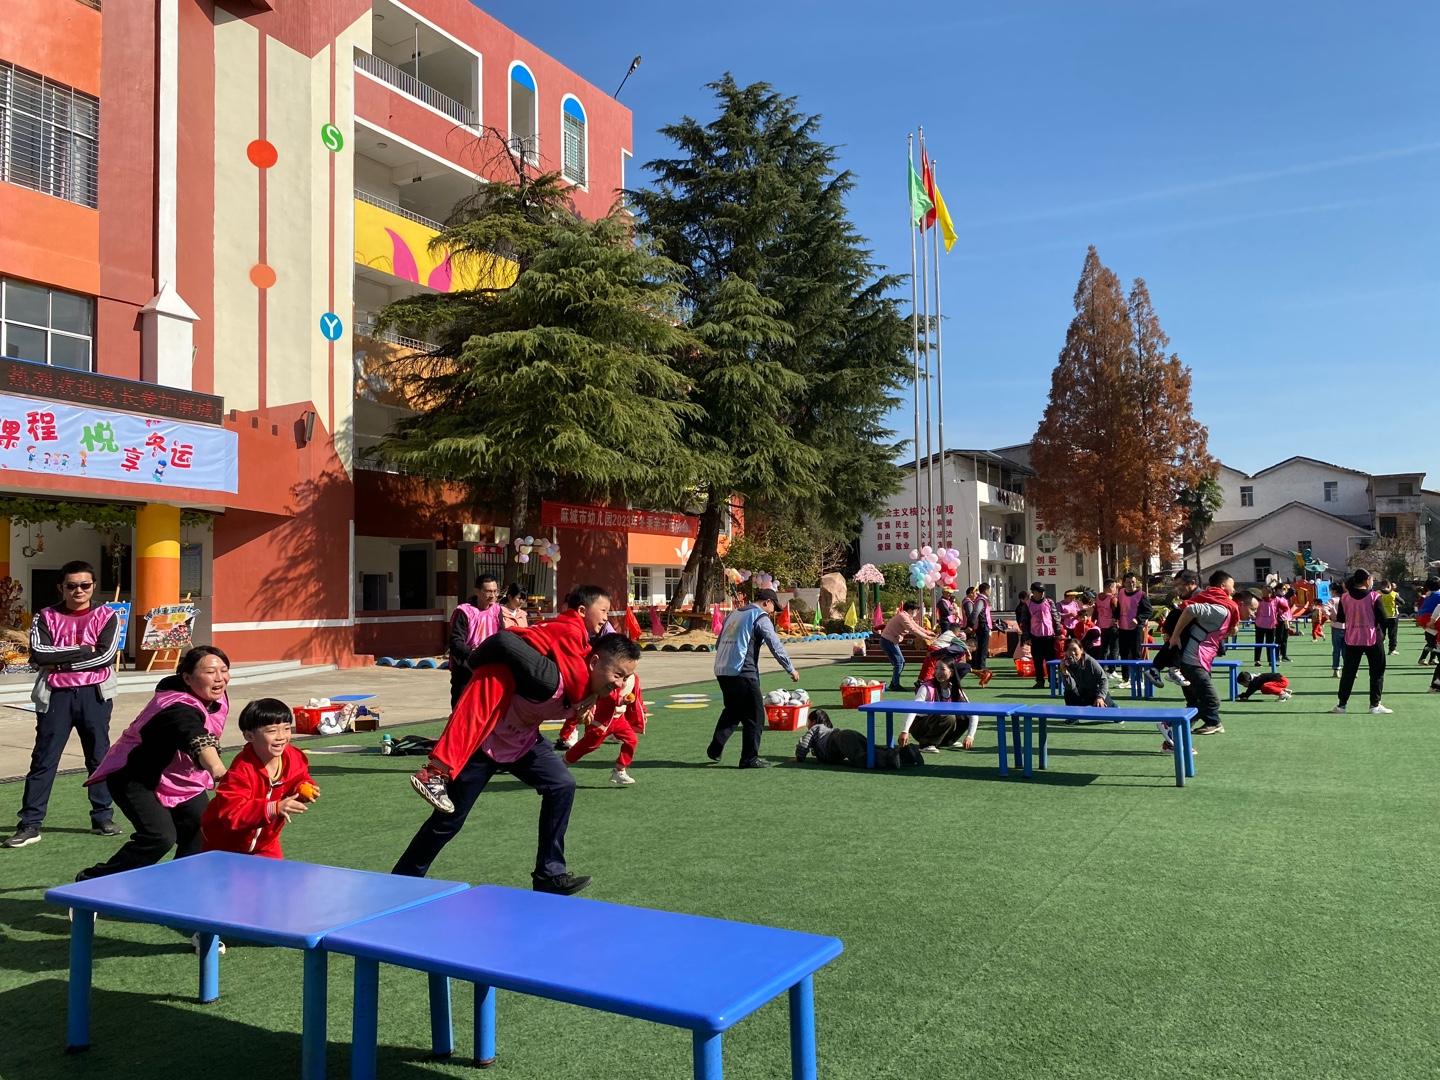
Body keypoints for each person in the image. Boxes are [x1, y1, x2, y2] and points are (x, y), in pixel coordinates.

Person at [393, 633, 641, 894]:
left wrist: (585, 706)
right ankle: (403, 881)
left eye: (626, 677)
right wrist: (471, 663)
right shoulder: (547, 679)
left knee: (562, 784)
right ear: (594, 662)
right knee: (448, 821)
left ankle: (549, 876)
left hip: (524, 743)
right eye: (618, 674)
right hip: (484, 742)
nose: (620, 683)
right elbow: (503, 642)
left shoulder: (595, 690)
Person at [415, 585, 614, 812]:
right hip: (500, 669)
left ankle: (437, 773)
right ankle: (434, 773)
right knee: (472, 720)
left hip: (506, 671)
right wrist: (588, 699)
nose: (606, 618)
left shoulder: (567, 628)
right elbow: (577, 678)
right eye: (603, 611)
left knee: (477, 722)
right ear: (582, 610)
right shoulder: (572, 630)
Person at [76, 647, 231, 880]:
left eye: (224, 670)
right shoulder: (175, 706)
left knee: (202, 828)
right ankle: (93, 881)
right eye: (210, 672)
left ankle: (182, 885)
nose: (219, 678)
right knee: (159, 837)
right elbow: (195, 735)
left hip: (180, 778)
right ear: (187, 678)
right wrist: (217, 769)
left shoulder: (214, 696)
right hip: (135, 776)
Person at [5, 560, 122, 849]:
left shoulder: (107, 615)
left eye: (85, 585)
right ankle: (30, 824)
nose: (78, 590)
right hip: (55, 696)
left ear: (93, 586)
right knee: (44, 759)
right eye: (71, 585)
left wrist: (63, 662)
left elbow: (105, 657)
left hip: (94, 694)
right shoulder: (45, 616)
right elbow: (40, 655)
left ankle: (102, 817)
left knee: (98, 757)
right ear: (61, 587)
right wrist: (83, 650)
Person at [200, 698, 317, 858]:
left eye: (286, 728)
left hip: (267, 844)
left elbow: (300, 777)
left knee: (276, 874)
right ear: (249, 736)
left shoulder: (292, 756)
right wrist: (273, 808)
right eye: (272, 731)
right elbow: (231, 814)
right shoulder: (241, 771)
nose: (281, 736)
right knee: (228, 876)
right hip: (225, 846)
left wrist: (304, 787)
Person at [707, 589, 799, 769]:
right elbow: (775, 644)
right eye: (773, 607)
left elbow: (719, 643)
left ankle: (715, 748)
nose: (772, 612)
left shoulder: (734, 614)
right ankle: (749, 759)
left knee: (733, 711)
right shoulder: (760, 616)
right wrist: (790, 668)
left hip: (722, 670)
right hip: (743, 671)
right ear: (767, 602)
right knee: (755, 717)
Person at [1168, 570, 1242, 739]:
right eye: (1232, 586)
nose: (1234, 589)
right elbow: (1190, 610)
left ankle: (1207, 723)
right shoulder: (1217, 604)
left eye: (1180, 584)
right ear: (1223, 586)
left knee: (1196, 698)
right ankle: (1174, 726)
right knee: (1209, 699)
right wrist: (1174, 635)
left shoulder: (1210, 599)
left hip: (1198, 656)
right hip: (1193, 657)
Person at [563, 672, 646, 786]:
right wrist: (621, 701)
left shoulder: (634, 678)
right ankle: (564, 761)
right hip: (601, 720)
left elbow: (637, 695)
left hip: (619, 719)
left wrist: (642, 711)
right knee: (588, 745)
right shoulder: (610, 676)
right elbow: (604, 693)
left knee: (632, 740)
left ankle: (620, 770)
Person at [1330, 569, 1390, 715]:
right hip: (1372, 638)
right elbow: (1383, 619)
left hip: (1352, 639)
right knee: (1376, 672)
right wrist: (1383, 633)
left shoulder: (1344, 597)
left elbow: (1341, 619)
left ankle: (1341, 705)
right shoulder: (1374, 596)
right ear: (1367, 580)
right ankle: (1374, 705)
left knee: (1348, 673)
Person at [794, 709, 924, 769]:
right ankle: (907, 753)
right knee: (872, 749)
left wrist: (799, 758)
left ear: (814, 721)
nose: (808, 725)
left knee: (859, 759)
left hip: (841, 739)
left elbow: (804, 743)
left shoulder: (815, 728)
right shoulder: (827, 730)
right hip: (848, 734)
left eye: (808, 722)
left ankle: (892, 758)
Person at [897, 657, 978, 752]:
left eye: (942, 669)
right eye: (936, 668)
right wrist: (905, 731)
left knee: (964, 717)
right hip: (921, 728)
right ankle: (926, 744)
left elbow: (972, 712)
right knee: (949, 717)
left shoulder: (955, 689)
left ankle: (946, 741)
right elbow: (913, 708)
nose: (937, 672)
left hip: (942, 723)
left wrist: (970, 736)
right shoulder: (927, 687)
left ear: (951, 672)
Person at [448, 575, 502, 708]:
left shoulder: (497, 610)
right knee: (462, 709)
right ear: (477, 591)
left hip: (489, 667)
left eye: (495, 591)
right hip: (466, 667)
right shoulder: (464, 611)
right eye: (488, 591)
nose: (493, 595)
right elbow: (456, 642)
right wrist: (475, 653)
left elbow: (502, 636)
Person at [1145, 570, 1198, 690]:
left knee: (1181, 631)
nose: (1178, 588)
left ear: (1192, 583)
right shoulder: (1184, 598)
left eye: (1180, 584)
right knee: (1178, 630)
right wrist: (1167, 632)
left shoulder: (1199, 597)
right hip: (1188, 646)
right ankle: (1170, 669)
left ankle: (1159, 668)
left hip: (1198, 643)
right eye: (1176, 585)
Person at [879, 601, 933, 691]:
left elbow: (916, 627)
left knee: (901, 662)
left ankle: (894, 683)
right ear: (911, 610)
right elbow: (912, 629)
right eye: (916, 610)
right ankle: (895, 684)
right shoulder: (902, 616)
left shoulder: (907, 617)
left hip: (890, 641)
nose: (917, 612)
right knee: (899, 663)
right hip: (887, 641)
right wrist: (927, 637)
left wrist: (928, 633)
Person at [1018, 583, 1061, 690]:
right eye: (1039, 592)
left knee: (1050, 660)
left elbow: (1055, 618)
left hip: (1049, 636)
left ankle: (1052, 680)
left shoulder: (1049, 602)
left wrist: (1058, 633)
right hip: (1035, 636)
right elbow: (1025, 622)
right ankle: (1040, 681)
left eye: (1042, 592)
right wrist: (1026, 637)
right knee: (1037, 660)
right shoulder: (1027, 605)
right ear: (1033, 592)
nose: (1041, 594)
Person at [1059, 636, 1114, 709]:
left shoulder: (1090, 661)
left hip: (1095, 692)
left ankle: (1114, 707)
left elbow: (1103, 679)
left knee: (1106, 708)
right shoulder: (1065, 664)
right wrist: (1065, 673)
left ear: (1081, 650)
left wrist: (1100, 697)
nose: (1072, 653)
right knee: (1069, 692)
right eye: (1069, 650)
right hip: (1080, 693)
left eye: (1075, 649)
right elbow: (1070, 687)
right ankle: (1072, 714)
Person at [1116, 572, 1153, 661]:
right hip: (1123, 627)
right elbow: (1119, 607)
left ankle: (1137, 670)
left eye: (1133, 582)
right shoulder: (1121, 592)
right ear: (1124, 583)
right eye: (1128, 582)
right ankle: (1125, 670)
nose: (1131, 584)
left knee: (1136, 652)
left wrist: (1138, 619)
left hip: (1136, 628)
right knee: (1123, 652)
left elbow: (1149, 611)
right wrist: (1114, 617)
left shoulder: (1141, 594)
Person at [970, 583, 995, 687]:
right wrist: (971, 624)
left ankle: (980, 667)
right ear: (985, 590)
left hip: (983, 625)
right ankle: (981, 668)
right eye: (989, 590)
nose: (990, 592)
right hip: (982, 625)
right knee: (983, 648)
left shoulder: (982, 600)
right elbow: (976, 612)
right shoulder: (981, 600)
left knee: (981, 647)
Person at [1253, 585, 1281, 666]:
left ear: (1270, 592)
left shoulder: (1275, 600)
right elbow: (1253, 608)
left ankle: (1271, 661)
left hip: (1271, 624)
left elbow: (1285, 607)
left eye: (1265, 590)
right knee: (1259, 642)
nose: (1263, 592)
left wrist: (1278, 613)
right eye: (1262, 590)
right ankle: (1257, 660)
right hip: (1260, 624)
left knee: (1270, 643)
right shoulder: (1258, 600)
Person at [1094, 579, 1120, 661]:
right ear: (1111, 587)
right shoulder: (1113, 598)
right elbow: (1116, 611)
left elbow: (1095, 610)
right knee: (1114, 648)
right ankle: (1112, 667)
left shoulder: (1098, 597)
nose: (1115, 589)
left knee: (1103, 647)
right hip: (1112, 625)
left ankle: (1102, 666)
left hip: (1102, 625)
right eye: (1115, 587)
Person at [1416, 579, 1440, 665]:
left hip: (1423, 618)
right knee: (1434, 642)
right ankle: (1425, 658)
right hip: (1430, 618)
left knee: (1432, 641)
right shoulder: (1438, 595)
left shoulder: (1429, 595)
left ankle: (1430, 659)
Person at [1377, 580, 1399, 656]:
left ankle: (1379, 649)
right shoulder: (1394, 594)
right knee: (1392, 634)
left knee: (1380, 633)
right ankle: (1392, 649)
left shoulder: (1377, 593)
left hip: (1381, 616)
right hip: (1392, 616)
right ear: (1389, 586)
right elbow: (1402, 602)